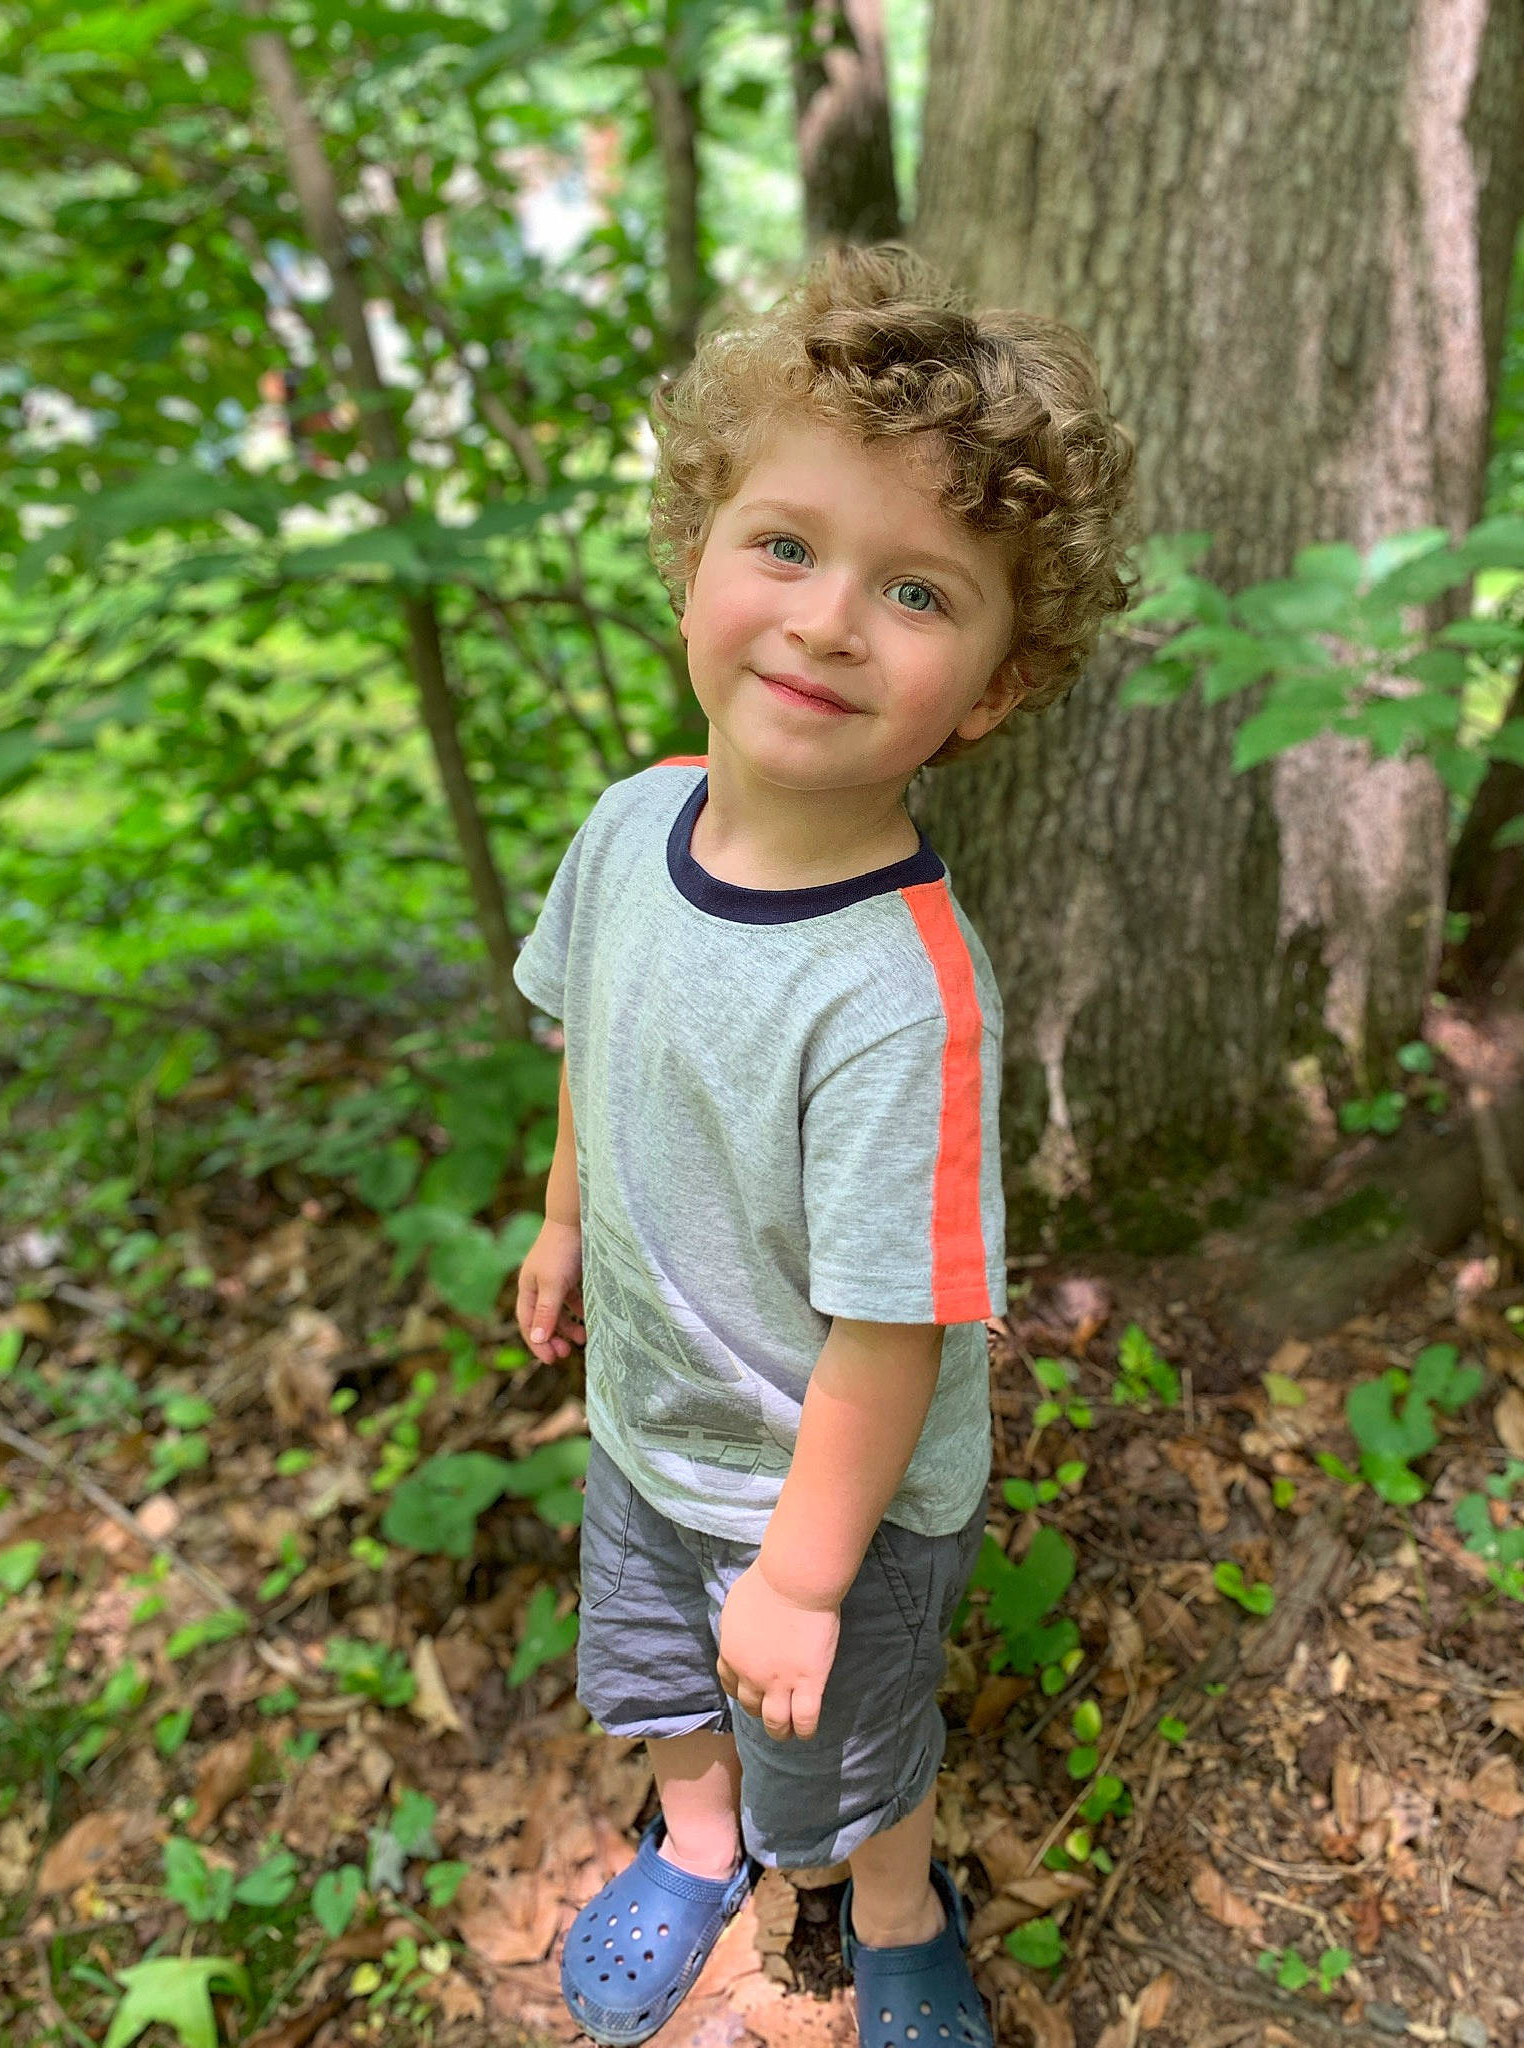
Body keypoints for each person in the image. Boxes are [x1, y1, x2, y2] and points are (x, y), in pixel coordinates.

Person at [511, 243, 1134, 2048]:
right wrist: (563, 1222)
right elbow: (595, 1053)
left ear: (997, 688)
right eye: (784, 543)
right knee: (655, 1674)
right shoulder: (629, 833)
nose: (829, 617)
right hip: (649, 1418)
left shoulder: (901, 994)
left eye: (919, 590)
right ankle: (694, 1840)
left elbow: (897, 1319)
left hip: (829, 1500)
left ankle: (890, 1906)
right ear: (697, 551)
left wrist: (796, 1573)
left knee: (852, 1744)